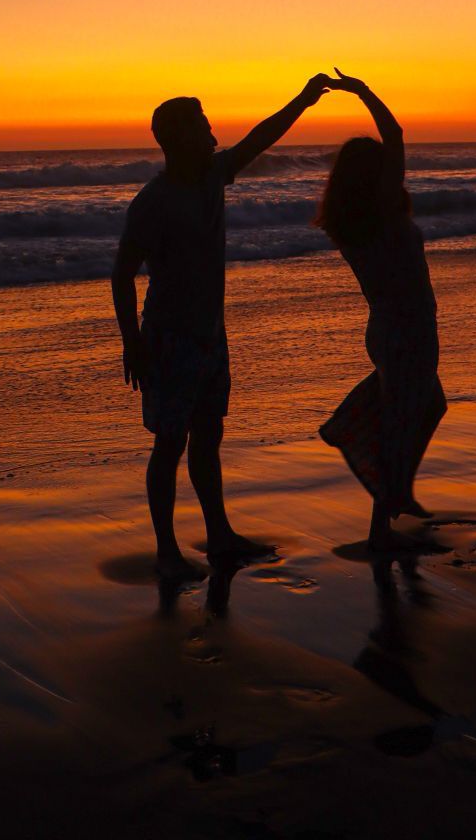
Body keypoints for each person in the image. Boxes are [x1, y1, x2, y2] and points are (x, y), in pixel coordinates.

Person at [112, 75, 331, 579]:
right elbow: (122, 274)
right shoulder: (154, 201)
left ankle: (220, 535)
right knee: (170, 444)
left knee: (208, 436)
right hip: (169, 338)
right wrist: (132, 343)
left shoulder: (213, 175)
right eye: (202, 127)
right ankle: (167, 550)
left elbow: (260, 139)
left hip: (211, 334)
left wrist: (302, 99)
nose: (213, 135)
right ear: (178, 139)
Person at [315, 69, 447, 551]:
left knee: (427, 406)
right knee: (403, 420)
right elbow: (396, 134)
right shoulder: (385, 214)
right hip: (409, 329)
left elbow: (392, 143)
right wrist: (362, 91)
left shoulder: (350, 224)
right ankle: (382, 524)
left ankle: (398, 494)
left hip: (388, 328)